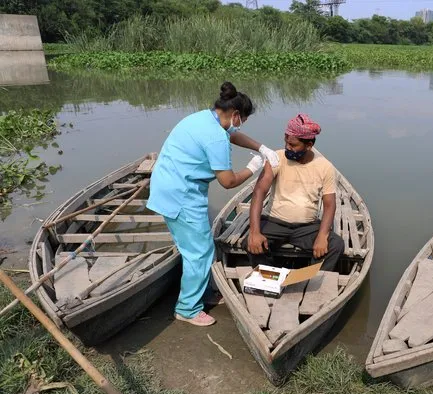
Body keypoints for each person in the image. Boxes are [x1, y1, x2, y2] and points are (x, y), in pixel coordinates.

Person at [147, 82, 280, 327]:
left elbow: (233, 133)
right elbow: (228, 181)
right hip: (182, 195)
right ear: (236, 114)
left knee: (199, 245)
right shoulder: (215, 138)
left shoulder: (203, 118)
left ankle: (204, 292)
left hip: (168, 185)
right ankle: (187, 308)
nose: (241, 125)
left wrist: (260, 147)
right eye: (244, 119)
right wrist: (252, 168)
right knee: (198, 252)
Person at [242, 113, 345, 272]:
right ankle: (270, 275)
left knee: (335, 245)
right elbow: (259, 192)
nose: (288, 148)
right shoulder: (277, 158)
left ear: (309, 145)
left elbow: (330, 205)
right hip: (274, 222)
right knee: (249, 242)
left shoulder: (325, 166)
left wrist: (322, 236)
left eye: (293, 145)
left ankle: (312, 281)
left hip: (306, 227)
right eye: (286, 143)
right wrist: (254, 231)